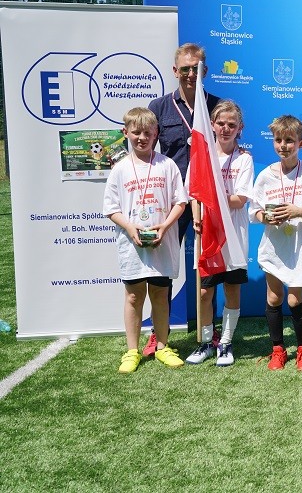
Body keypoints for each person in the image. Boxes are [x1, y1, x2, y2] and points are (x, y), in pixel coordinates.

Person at [144, 42, 221, 358]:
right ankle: (158, 334)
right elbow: (145, 150)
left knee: (209, 269)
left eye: (197, 68)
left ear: (205, 71)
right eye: (186, 69)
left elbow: (228, 145)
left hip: (207, 198)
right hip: (172, 200)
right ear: (175, 71)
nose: (191, 74)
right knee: (161, 268)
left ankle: (209, 330)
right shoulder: (159, 107)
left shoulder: (217, 106)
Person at [103, 107, 188, 373]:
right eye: (136, 132)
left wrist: (165, 226)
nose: (142, 138)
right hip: (133, 245)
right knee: (133, 296)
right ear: (125, 132)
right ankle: (132, 351)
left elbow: (180, 202)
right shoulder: (120, 169)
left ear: (156, 134)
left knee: (160, 295)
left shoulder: (167, 165)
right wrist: (130, 228)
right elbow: (111, 209)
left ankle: (162, 346)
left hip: (162, 242)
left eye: (147, 133)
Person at [250, 115, 302, 371]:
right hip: (273, 247)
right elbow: (255, 212)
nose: (283, 145)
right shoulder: (265, 176)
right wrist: (267, 217)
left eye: (289, 140)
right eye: (278, 140)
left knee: (294, 300)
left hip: (298, 248)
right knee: (274, 297)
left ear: (301, 143)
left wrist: (298, 211)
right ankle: (278, 350)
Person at [185, 100, 253, 367]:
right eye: (221, 123)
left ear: (240, 128)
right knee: (205, 292)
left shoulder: (244, 159)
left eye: (231, 125)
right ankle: (205, 342)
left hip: (233, 236)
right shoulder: (201, 156)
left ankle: (225, 342)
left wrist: (213, 197)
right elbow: (193, 192)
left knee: (231, 289)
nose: (226, 128)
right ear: (212, 125)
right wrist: (196, 216)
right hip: (208, 234)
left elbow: (240, 199)